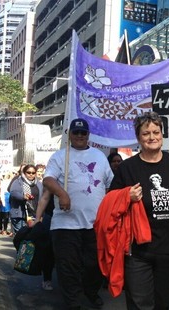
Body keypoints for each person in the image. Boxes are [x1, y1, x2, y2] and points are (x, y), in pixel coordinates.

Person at [109, 111, 169, 309]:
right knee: (140, 302)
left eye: (156, 132)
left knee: (164, 302)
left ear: (162, 134)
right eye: (146, 133)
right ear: (138, 137)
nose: (152, 137)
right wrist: (126, 196)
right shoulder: (127, 168)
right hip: (139, 251)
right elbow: (109, 204)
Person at [40, 118, 113, 310]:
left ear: (88, 135)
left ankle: (90, 291)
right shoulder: (59, 156)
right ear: (70, 134)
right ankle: (73, 302)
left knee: (94, 265)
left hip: (94, 224)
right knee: (68, 267)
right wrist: (62, 193)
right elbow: (48, 179)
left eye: (83, 133)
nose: (79, 136)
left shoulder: (99, 156)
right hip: (65, 225)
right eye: (76, 133)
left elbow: (111, 184)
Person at [9, 164, 43, 235]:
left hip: (34, 214)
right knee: (21, 236)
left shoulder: (39, 184)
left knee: (33, 237)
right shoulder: (18, 181)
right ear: (24, 173)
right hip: (20, 214)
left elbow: (43, 197)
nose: (31, 174)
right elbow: (13, 192)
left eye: (33, 173)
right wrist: (23, 196)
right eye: (28, 172)